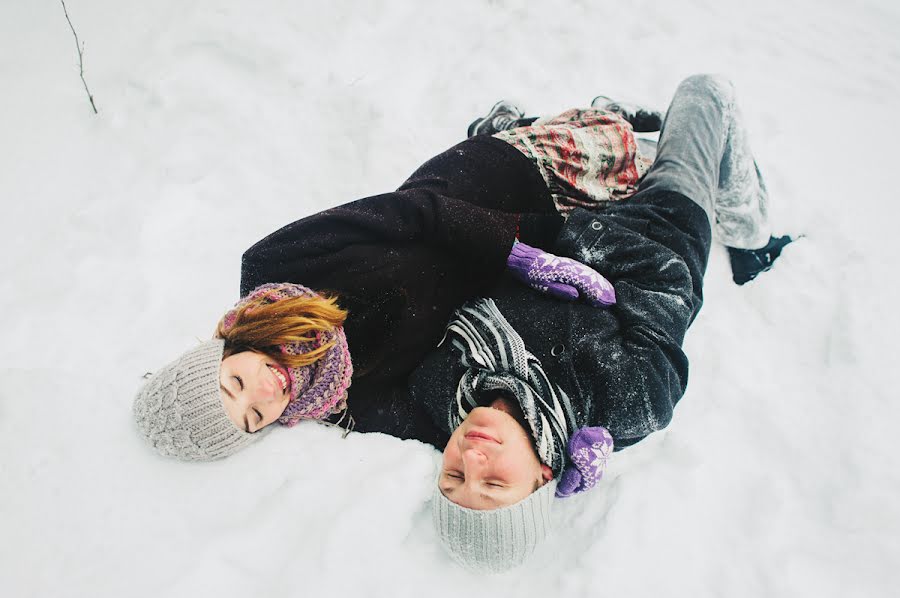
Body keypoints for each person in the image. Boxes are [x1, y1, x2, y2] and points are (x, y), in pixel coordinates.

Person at [346, 74, 795, 572]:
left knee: (506, 156)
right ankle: (749, 234)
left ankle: (614, 133)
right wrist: (569, 250)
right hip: (657, 220)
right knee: (705, 94)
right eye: (494, 484)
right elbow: (667, 276)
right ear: (542, 477)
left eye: (452, 478)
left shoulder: (438, 392)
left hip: (544, 216)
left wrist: (526, 253)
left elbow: (343, 396)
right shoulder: (627, 402)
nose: (471, 461)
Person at [132, 94, 654, 460]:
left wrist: (518, 251)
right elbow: (457, 423)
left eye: (235, 383)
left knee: (623, 150)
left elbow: (413, 212)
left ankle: (532, 127)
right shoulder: (350, 402)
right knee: (647, 198)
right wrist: (558, 449)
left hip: (479, 193)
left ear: (219, 354)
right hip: (515, 279)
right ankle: (524, 121)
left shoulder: (274, 263)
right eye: (252, 418)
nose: (263, 393)